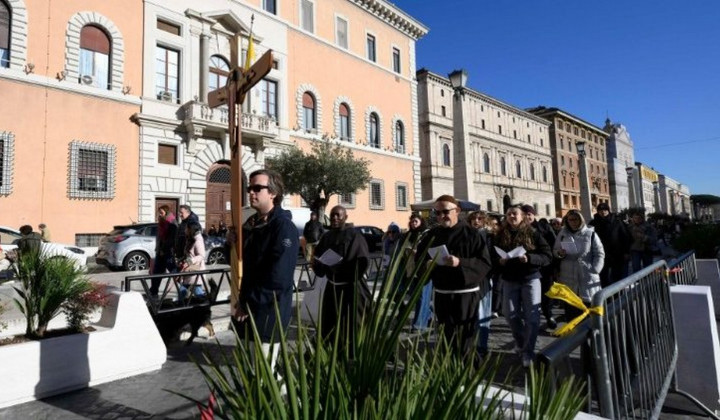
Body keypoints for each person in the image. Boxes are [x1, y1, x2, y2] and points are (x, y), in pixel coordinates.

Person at [236, 169, 298, 374]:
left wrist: (248, 303)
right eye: (249, 188)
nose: (251, 192)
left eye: (257, 188)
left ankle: (291, 405)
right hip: (250, 310)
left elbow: (278, 277)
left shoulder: (283, 227)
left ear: (272, 193)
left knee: (265, 374)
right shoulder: (253, 225)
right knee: (253, 370)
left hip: (269, 311)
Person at [416, 195, 491, 360]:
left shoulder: (472, 234)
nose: (442, 216)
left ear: (457, 211)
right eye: (437, 212)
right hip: (442, 294)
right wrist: (426, 265)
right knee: (445, 338)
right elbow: (419, 260)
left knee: (466, 339)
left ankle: (468, 376)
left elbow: (484, 263)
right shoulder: (431, 235)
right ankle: (449, 374)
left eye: (445, 211)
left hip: (466, 294)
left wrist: (460, 262)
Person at [492, 205, 552, 368]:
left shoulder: (533, 233)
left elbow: (547, 256)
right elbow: (492, 257)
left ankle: (528, 352)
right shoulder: (499, 235)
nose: (512, 216)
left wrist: (530, 258)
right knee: (510, 315)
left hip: (530, 279)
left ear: (522, 216)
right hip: (510, 280)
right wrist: (499, 261)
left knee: (532, 318)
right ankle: (521, 343)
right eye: (509, 214)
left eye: (515, 214)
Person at [313, 205, 370, 348]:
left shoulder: (355, 236)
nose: (335, 218)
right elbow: (318, 256)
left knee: (351, 325)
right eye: (332, 215)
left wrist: (341, 268)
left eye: (338, 215)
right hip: (332, 288)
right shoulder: (327, 236)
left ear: (346, 217)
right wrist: (317, 263)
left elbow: (361, 261)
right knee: (329, 323)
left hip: (351, 289)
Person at [554, 209, 605, 320]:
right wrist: (559, 253)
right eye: (570, 219)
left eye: (575, 219)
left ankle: (592, 334)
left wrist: (595, 269)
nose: (573, 222)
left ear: (580, 219)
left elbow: (599, 253)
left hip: (587, 274)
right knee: (571, 310)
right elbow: (555, 250)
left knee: (588, 309)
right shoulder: (562, 234)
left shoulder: (591, 234)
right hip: (568, 275)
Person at [521, 204, 558, 330]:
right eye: (524, 214)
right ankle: (530, 319)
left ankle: (549, 315)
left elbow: (554, 244)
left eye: (529, 214)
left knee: (546, 291)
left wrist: (554, 263)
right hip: (528, 267)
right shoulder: (520, 229)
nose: (527, 217)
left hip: (545, 266)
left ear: (533, 215)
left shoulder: (544, 227)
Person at [466, 210, 495, 358]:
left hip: (483, 278)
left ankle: (482, 346)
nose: (476, 221)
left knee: (483, 312)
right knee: (470, 313)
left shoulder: (490, 237)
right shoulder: (466, 235)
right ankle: (470, 344)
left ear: (485, 221)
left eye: (479, 219)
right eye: (473, 219)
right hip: (468, 279)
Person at [588, 203, 631, 287]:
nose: (603, 212)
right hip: (600, 254)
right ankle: (606, 296)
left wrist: (626, 251)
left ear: (608, 211)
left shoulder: (617, 221)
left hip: (617, 253)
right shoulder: (593, 223)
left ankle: (617, 295)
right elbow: (588, 238)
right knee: (602, 276)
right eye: (600, 210)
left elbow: (625, 236)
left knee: (616, 276)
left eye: (605, 210)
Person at [402, 213, 432, 332]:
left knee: (422, 297)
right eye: (412, 221)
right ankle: (429, 315)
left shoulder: (426, 235)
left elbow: (430, 250)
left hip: (423, 269)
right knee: (415, 297)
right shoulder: (408, 235)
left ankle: (418, 325)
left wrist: (417, 253)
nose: (413, 224)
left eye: (416, 221)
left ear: (421, 222)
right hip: (411, 269)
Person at [149, 206, 178, 298]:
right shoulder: (162, 222)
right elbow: (160, 238)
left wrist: (163, 249)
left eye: (161, 212)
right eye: (159, 213)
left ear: (166, 212)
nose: (160, 214)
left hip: (168, 251)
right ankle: (153, 292)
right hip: (160, 251)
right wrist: (159, 249)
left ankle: (184, 289)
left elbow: (171, 239)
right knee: (156, 272)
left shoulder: (171, 222)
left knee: (174, 272)